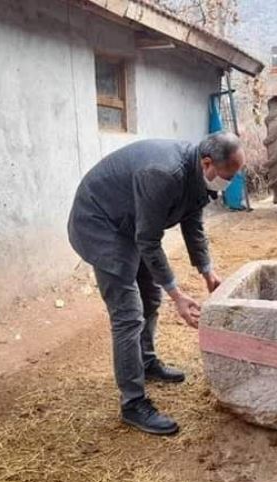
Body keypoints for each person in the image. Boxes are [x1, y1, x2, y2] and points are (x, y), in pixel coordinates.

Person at [68, 132, 244, 436]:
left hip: (128, 222)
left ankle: (146, 362)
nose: (230, 182)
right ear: (207, 163)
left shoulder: (196, 174)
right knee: (128, 315)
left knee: (150, 297)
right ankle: (133, 404)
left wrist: (207, 272)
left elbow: (193, 222)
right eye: (229, 176)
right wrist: (177, 294)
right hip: (99, 223)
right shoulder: (163, 174)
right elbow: (148, 241)